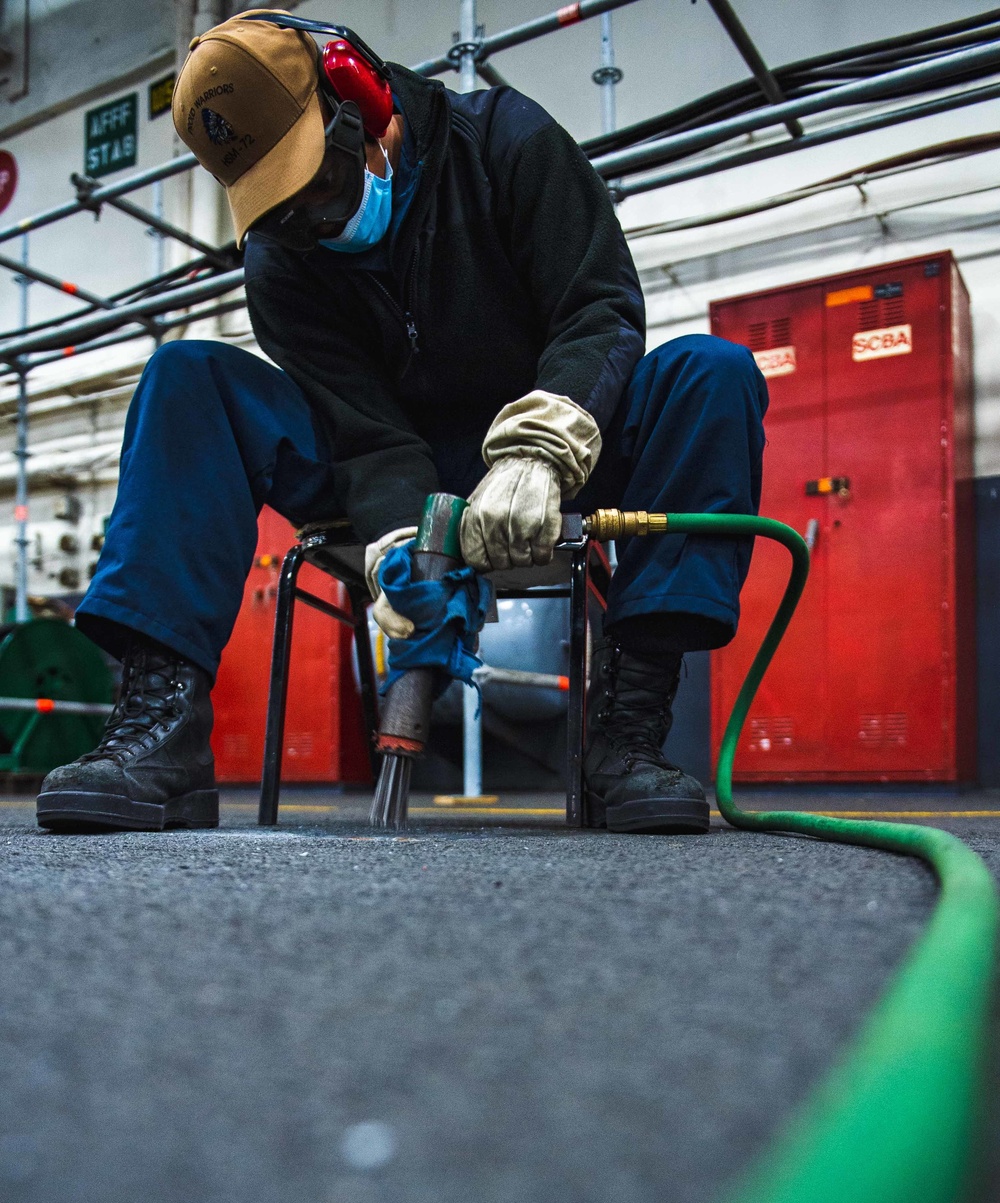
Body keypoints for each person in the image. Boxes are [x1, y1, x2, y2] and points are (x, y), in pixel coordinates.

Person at [36, 8, 767, 836]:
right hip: (375, 468)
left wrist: (540, 452)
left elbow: (597, 312)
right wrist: (394, 538)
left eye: (322, 187)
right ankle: (161, 729)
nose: (316, 223)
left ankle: (628, 733)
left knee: (714, 373)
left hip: (546, 443)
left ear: (366, 100)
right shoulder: (283, 256)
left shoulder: (507, 144)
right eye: (286, 209)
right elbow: (363, 425)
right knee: (186, 377)